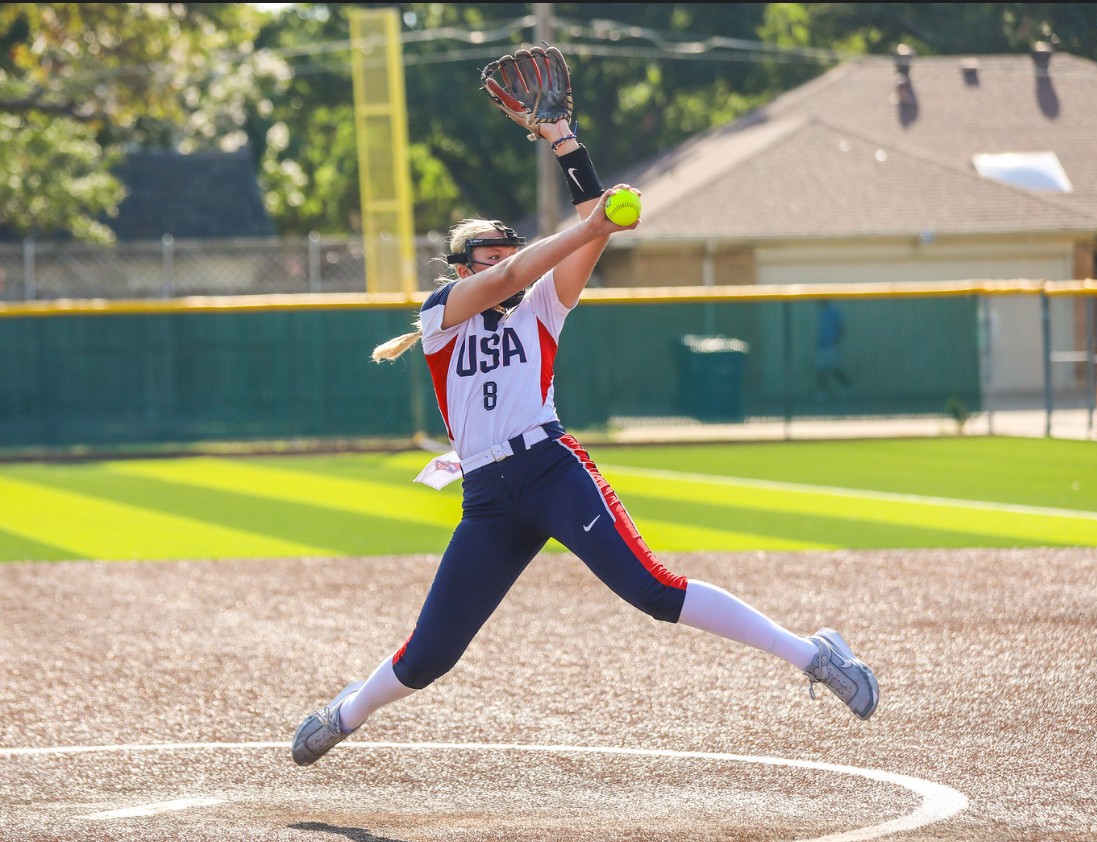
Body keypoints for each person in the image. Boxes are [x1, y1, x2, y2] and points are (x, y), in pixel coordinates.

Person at [290, 52, 879, 768]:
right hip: (488, 498)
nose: (505, 263)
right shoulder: (441, 314)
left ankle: (810, 653)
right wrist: (591, 225)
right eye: (488, 256)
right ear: (460, 268)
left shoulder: (540, 309)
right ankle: (345, 713)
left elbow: (558, 254)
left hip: (549, 469)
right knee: (429, 656)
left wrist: (564, 142)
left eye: (506, 249)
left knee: (653, 590)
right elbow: (524, 266)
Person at [815, 299, 850, 400]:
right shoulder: (822, 312)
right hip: (822, 346)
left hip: (831, 346)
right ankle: (822, 393)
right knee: (821, 369)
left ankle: (848, 388)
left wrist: (836, 340)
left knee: (834, 369)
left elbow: (841, 326)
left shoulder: (833, 311)